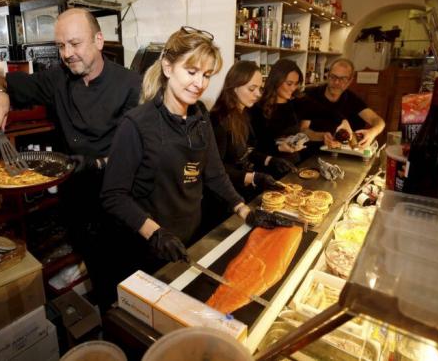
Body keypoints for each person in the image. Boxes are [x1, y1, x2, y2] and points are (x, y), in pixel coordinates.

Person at [0, 7, 142, 311]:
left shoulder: (131, 84)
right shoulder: (57, 79)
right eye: (61, 46)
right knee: (103, 285)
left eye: (75, 44)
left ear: (99, 40)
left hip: (119, 202)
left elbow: (134, 153)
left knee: (133, 284)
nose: (67, 53)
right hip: (78, 201)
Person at [101, 27, 294, 276]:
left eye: (206, 75)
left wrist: (244, 210)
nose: (200, 84)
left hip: (191, 235)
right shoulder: (136, 124)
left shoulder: (200, 116)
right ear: (168, 68)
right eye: (191, 72)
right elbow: (113, 195)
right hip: (150, 244)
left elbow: (214, 173)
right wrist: (155, 233)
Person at [209, 61, 290, 201]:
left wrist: (270, 160)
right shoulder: (218, 120)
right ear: (234, 88)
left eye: (260, 88)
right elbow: (216, 169)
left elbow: (246, 150)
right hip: (223, 197)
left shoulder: (244, 113)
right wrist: (252, 177)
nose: (258, 94)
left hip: (241, 188)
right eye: (252, 89)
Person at [250, 59, 342, 170]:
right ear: (276, 81)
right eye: (289, 84)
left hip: (295, 164)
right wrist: (278, 148)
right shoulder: (257, 107)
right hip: (269, 167)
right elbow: (253, 148)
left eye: (296, 84)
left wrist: (338, 125)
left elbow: (328, 113)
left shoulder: (298, 101)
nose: (293, 88)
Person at [301, 58, 385, 149]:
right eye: (333, 77)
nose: (336, 82)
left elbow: (379, 121)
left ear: (350, 81)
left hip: (341, 154)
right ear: (327, 75)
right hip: (312, 152)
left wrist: (372, 132)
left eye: (343, 79)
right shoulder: (312, 95)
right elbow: (304, 130)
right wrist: (322, 136)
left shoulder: (352, 99)